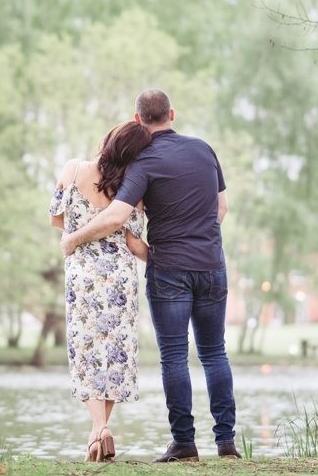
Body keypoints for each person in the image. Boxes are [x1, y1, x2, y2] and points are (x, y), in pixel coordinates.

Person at [60, 89, 240, 463]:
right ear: (172, 114)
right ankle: (226, 443)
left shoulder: (142, 162)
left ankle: (184, 444)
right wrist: (198, 236)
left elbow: (115, 216)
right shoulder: (204, 150)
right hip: (211, 265)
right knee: (214, 353)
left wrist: (73, 239)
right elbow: (221, 207)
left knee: (174, 356)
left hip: (168, 268)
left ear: (138, 119)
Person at [49, 121, 150, 462]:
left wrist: (78, 233)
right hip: (120, 276)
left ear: (108, 140)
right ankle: (100, 431)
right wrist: (168, 259)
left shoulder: (73, 169)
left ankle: (98, 432)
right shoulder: (131, 190)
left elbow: (56, 220)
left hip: (82, 273)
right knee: (115, 352)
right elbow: (134, 244)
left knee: (86, 350)